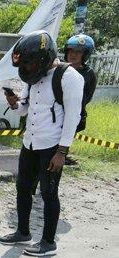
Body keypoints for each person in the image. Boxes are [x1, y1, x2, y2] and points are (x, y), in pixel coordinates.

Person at [0, 31, 84, 257]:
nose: (27, 68)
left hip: (52, 146)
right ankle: (22, 232)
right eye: (24, 64)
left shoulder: (69, 77)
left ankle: (48, 242)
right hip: (31, 142)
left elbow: (73, 117)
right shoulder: (35, 76)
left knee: (49, 193)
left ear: (44, 57)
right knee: (23, 189)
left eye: (30, 63)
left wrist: (62, 152)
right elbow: (27, 108)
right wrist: (15, 103)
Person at [63, 33, 97, 166]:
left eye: (78, 52)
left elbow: (87, 97)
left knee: (67, 135)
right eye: (71, 51)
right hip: (56, 111)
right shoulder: (60, 69)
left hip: (75, 112)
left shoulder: (89, 74)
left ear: (85, 55)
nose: (73, 54)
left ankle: (62, 155)